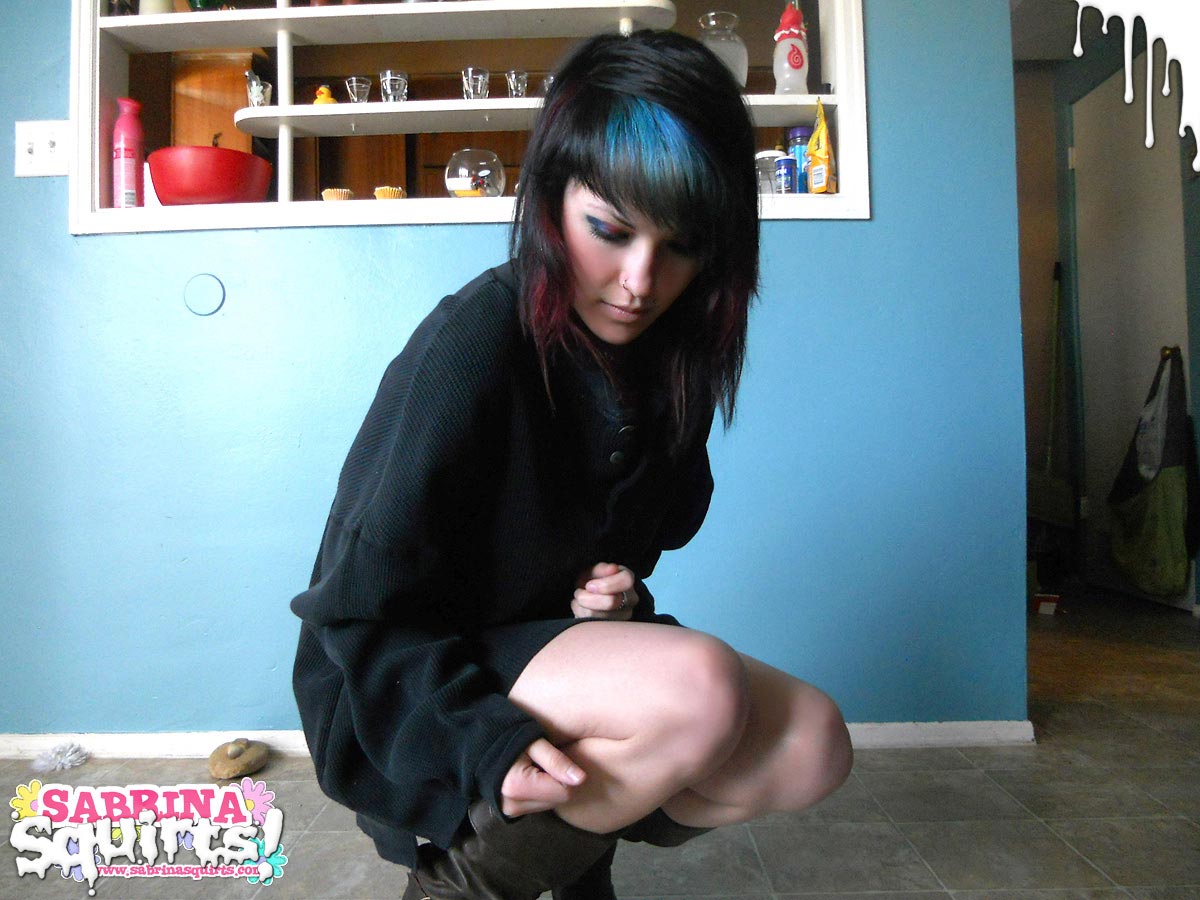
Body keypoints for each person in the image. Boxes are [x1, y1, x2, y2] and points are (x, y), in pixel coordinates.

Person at [290, 28, 852, 900]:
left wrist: (610, 600)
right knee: (700, 690)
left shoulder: (669, 356)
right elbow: (360, 611)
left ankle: (571, 852)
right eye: (610, 231)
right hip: (405, 677)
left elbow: (617, 542)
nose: (639, 281)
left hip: (538, 650)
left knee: (814, 742)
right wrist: (481, 739)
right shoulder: (473, 341)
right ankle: (461, 889)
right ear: (552, 197)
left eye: (680, 246)